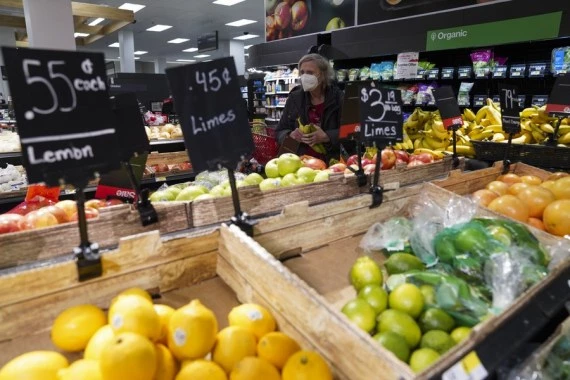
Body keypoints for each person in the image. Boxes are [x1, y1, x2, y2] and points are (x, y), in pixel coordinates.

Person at [276, 53, 343, 162]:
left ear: (322, 75)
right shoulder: (294, 99)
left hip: (332, 162)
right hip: (299, 162)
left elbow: (352, 132)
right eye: (302, 72)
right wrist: (290, 135)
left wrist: (328, 136)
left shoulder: (338, 98)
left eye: (310, 72)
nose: (305, 76)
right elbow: (279, 130)